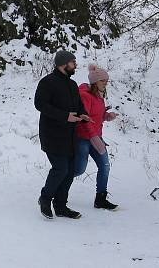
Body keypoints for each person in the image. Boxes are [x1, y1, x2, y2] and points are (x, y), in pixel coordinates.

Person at [34, 50, 90, 220]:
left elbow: (78, 105)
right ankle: (45, 199)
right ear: (62, 64)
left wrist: (83, 114)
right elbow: (40, 104)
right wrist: (65, 116)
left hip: (70, 135)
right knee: (61, 169)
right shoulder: (47, 82)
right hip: (52, 135)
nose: (75, 65)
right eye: (73, 62)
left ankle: (60, 206)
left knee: (70, 170)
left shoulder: (72, 85)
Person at [74, 63, 119, 210]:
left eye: (106, 81)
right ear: (94, 82)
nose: (105, 84)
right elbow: (84, 119)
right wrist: (94, 137)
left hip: (96, 137)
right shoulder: (85, 96)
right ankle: (58, 185)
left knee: (105, 166)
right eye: (102, 81)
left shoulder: (99, 97)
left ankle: (100, 199)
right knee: (79, 169)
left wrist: (107, 116)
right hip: (83, 138)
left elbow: (96, 116)